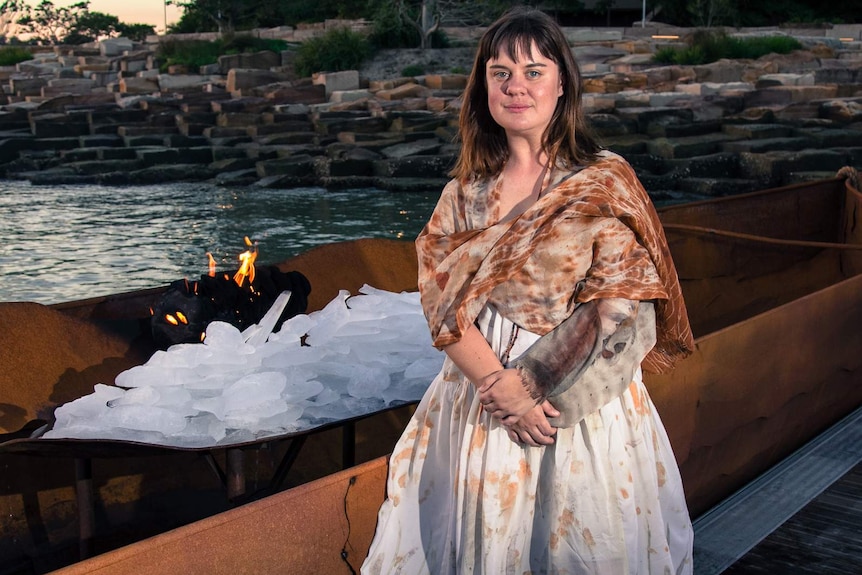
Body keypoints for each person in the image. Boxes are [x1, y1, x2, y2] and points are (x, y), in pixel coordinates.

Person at [361, 6, 695, 574]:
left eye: (534, 71)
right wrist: (499, 386)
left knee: (580, 544)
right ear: (483, 86)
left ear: (562, 82)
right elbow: (442, 305)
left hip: (576, 402)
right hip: (482, 397)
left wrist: (534, 390)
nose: (517, 87)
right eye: (501, 73)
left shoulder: (603, 180)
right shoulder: (463, 194)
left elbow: (623, 309)